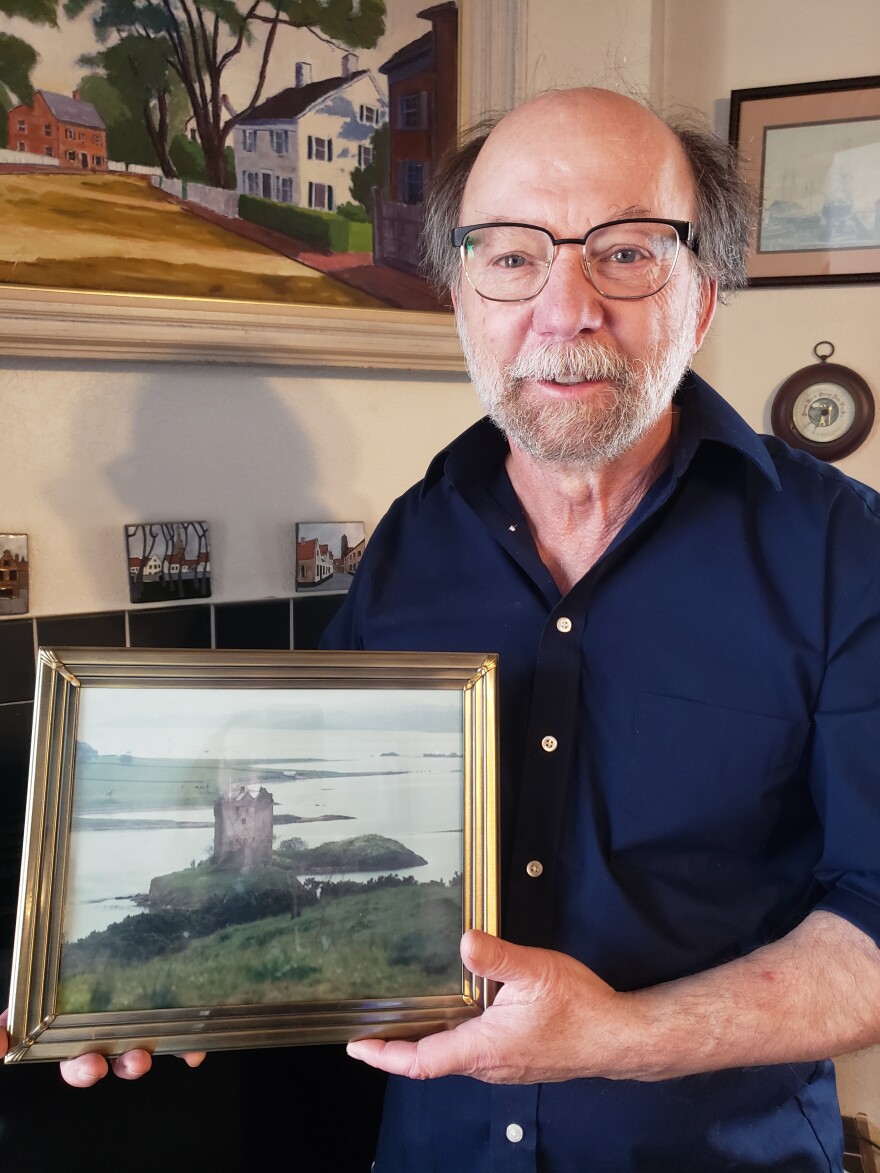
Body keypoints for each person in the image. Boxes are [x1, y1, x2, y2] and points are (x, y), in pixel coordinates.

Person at [4, 87, 879, 1170]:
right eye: (510, 256)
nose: (565, 308)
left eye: (626, 253)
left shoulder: (844, 551)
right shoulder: (416, 536)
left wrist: (619, 1036)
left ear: (700, 295)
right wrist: (160, 978)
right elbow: (327, 807)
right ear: (461, 295)